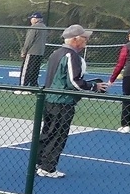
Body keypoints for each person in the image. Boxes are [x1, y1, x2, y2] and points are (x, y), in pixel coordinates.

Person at [37, 24, 108, 178]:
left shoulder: (55, 53)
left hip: (50, 99)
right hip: (63, 102)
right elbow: (74, 82)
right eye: (84, 38)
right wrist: (94, 86)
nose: (86, 42)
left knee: (48, 132)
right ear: (75, 39)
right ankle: (48, 168)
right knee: (58, 135)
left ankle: (40, 163)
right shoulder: (71, 55)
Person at [16, 12, 49, 93]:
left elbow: (29, 40)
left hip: (31, 52)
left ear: (35, 19)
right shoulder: (44, 27)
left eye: (32, 18)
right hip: (40, 52)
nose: (31, 20)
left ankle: (22, 87)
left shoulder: (34, 27)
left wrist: (24, 51)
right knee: (35, 70)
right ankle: (33, 87)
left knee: (26, 69)